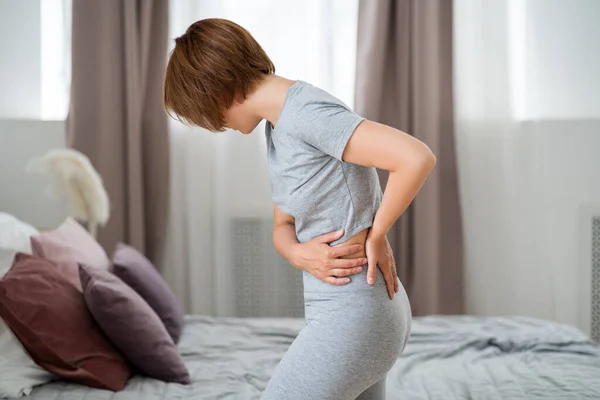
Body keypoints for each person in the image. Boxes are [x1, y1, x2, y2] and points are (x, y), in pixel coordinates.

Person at [163, 18, 436, 400]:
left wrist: (377, 233)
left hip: (354, 317)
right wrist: (298, 253)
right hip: (352, 317)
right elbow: (283, 224)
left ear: (216, 88)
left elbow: (414, 157)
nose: (213, 126)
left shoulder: (306, 111)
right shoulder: (277, 127)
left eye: (205, 113)